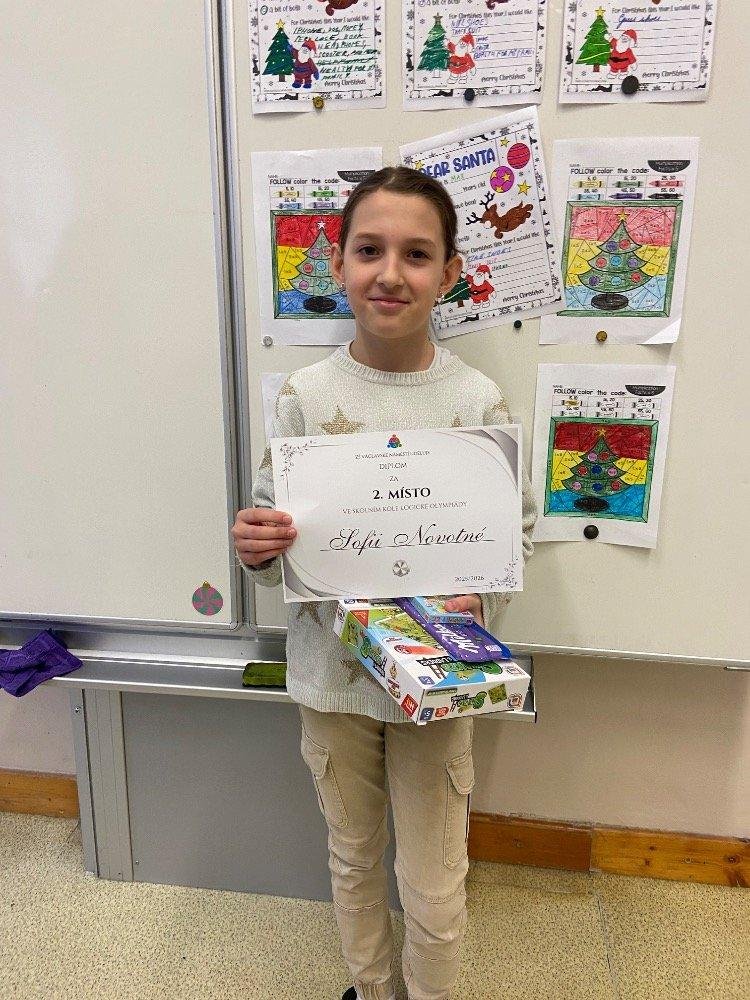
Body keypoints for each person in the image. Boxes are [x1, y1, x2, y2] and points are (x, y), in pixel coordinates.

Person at [232, 167, 537, 1000]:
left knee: (434, 884)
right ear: (337, 263)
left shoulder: (476, 400)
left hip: (439, 683)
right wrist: (257, 548)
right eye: (369, 250)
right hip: (332, 683)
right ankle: (371, 990)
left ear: (450, 272)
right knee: (354, 857)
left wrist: (482, 598)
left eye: (417, 254)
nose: (390, 273)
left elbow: (514, 532)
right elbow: (277, 536)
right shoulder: (305, 396)